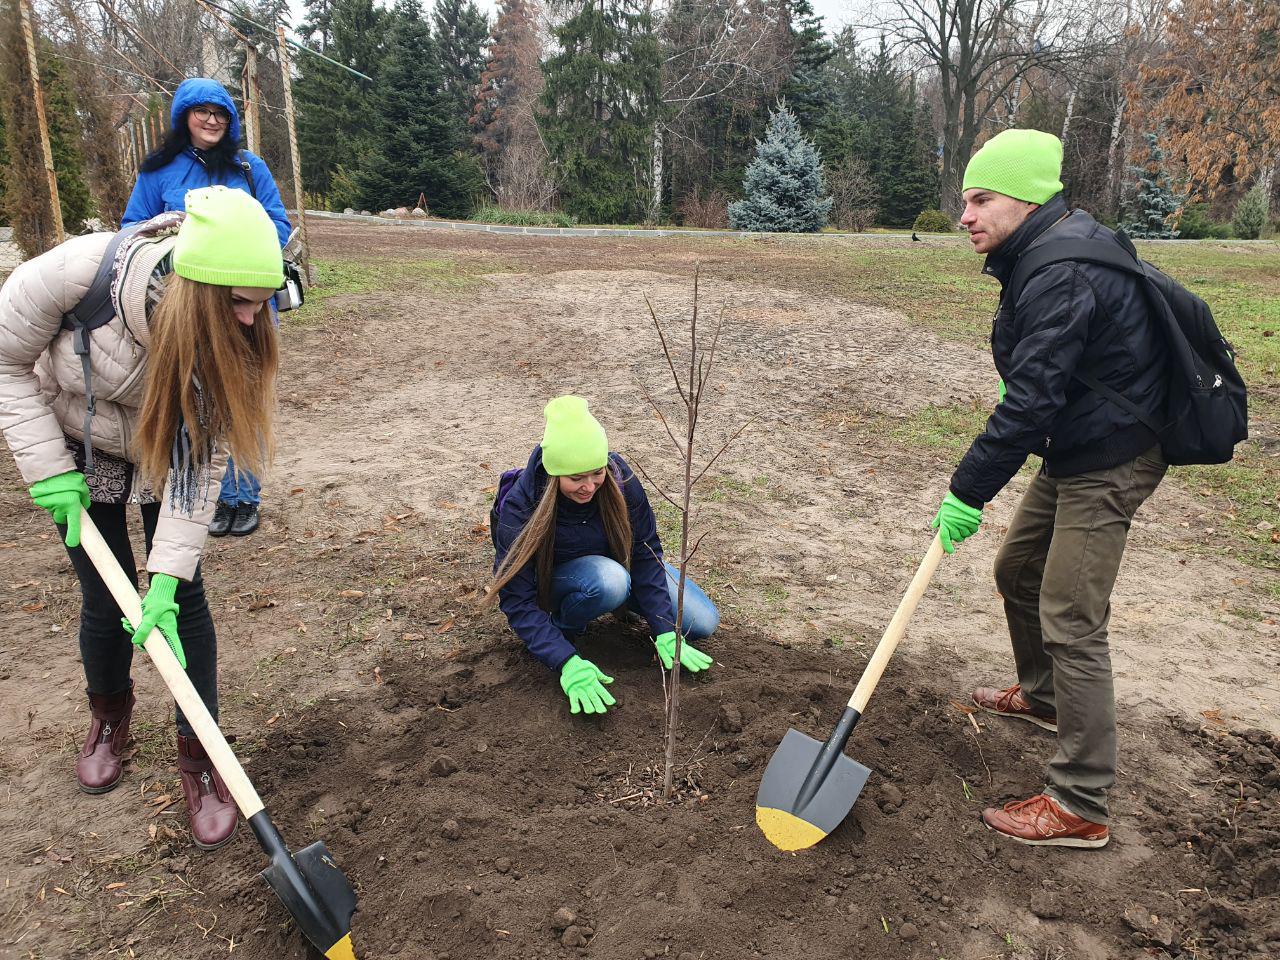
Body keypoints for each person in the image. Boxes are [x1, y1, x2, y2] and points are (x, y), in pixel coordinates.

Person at [0, 186, 284, 850]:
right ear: (198, 292)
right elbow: (5, 357)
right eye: (241, 304)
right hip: (77, 437)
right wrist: (49, 471)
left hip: (170, 444)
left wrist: (166, 573)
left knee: (180, 599)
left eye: (264, 302)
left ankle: (200, 757)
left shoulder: (239, 335)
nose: (254, 319)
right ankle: (109, 717)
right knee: (105, 595)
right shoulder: (80, 273)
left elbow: (206, 459)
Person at [930, 129, 1169, 848]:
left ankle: (1081, 803)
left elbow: (1029, 400)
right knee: (1019, 570)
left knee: (1071, 614)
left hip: (1115, 452)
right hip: (1078, 441)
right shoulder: (1041, 251)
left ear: (1026, 199)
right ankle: (1042, 696)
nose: (964, 216)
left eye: (980, 200)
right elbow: (1042, 392)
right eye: (963, 201)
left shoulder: (1060, 270)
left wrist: (968, 488)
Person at [123, 76, 291, 538]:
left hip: (246, 305)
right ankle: (208, 497)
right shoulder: (160, 171)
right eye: (202, 111)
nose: (212, 120)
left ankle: (244, 495)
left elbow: (278, 224)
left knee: (244, 394)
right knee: (195, 397)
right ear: (184, 117)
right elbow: (135, 230)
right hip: (189, 309)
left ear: (230, 120)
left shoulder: (249, 168)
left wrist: (243, 258)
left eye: (220, 113)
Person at [486, 396, 720, 715]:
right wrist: (564, 660)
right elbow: (517, 600)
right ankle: (564, 626)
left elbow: (645, 553)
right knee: (609, 580)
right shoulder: (521, 507)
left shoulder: (619, 480)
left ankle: (625, 604)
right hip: (562, 583)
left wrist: (665, 629)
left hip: (619, 571)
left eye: (595, 473)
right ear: (554, 474)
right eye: (576, 478)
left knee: (703, 621)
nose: (589, 486)